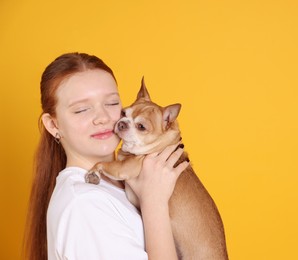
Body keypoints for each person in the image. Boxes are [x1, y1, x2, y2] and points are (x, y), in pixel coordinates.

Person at [24, 52, 189, 260]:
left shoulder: (130, 181)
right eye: (82, 109)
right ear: (53, 125)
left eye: (111, 104)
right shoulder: (84, 205)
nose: (102, 118)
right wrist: (153, 201)